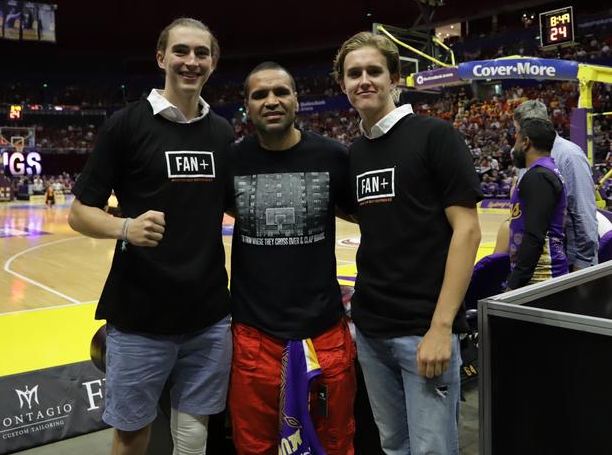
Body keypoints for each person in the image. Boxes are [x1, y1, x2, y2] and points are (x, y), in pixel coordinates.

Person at [68, 17, 233, 455]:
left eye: (201, 53)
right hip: (140, 318)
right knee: (131, 435)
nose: (191, 61)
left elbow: (235, 203)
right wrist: (125, 227)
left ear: (213, 63)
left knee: (194, 433)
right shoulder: (125, 126)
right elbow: (79, 213)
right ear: (162, 58)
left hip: (209, 316)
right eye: (181, 51)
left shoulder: (221, 131)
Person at [333, 31, 482, 455]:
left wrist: (440, 328)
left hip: (424, 331)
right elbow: (368, 212)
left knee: (433, 448)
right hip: (372, 329)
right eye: (354, 73)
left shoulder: (435, 136)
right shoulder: (357, 153)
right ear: (343, 85)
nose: (364, 80)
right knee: (394, 445)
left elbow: (467, 231)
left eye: (374, 71)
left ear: (394, 78)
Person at [228, 62, 356, 455]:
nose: (272, 101)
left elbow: (373, 216)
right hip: (254, 334)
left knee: (335, 441)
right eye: (260, 95)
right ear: (246, 106)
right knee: (254, 446)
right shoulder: (232, 161)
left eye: (281, 92)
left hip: (324, 330)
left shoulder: (334, 156)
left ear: (296, 99)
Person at [513, 99, 598, 271]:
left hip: (567, 260)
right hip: (537, 259)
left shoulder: (569, 155)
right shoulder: (525, 156)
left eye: (517, 131)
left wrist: (582, 263)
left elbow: (583, 213)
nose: (515, 137)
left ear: (527, 134)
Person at [506, 117, 569, 289]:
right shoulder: (545, 171)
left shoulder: (539, 176)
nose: (514, 147)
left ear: (526, 142)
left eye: (516, 139)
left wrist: (514, 283)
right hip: (538, 273)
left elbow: (534, 235)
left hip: (541, 276)